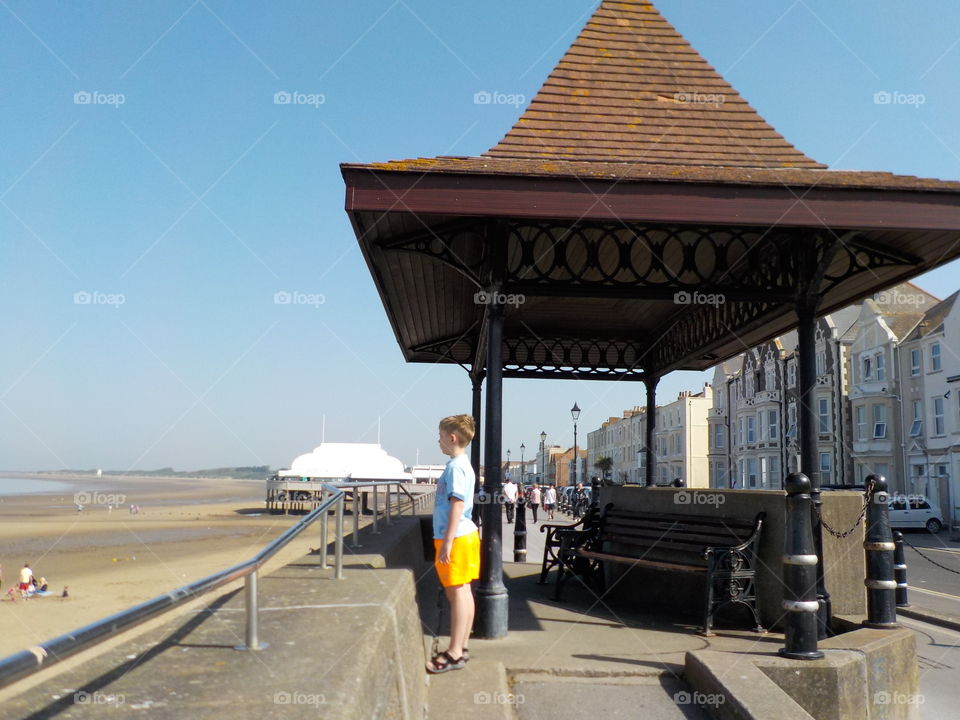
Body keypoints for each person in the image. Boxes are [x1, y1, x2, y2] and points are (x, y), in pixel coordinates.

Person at [426, 414, 480, 674]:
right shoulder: (464, 465)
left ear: (452, 437)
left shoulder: (455, 467)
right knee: (463, 591)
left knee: (457, 592)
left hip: (456, 537)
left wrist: (446, 541)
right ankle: (463, 646)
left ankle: (455, 651)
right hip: (465, 535)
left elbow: (457, 503)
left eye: (440, 436)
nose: (438, 441)